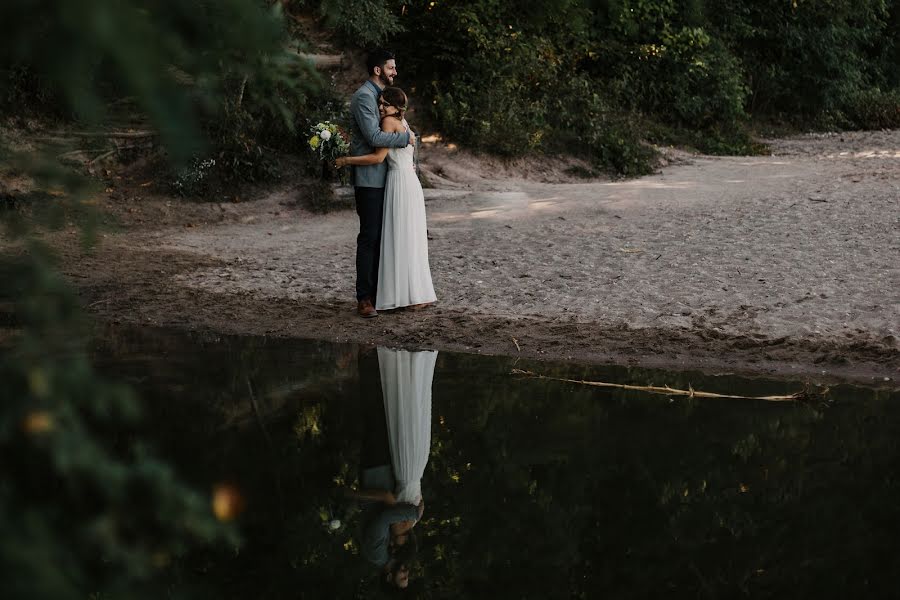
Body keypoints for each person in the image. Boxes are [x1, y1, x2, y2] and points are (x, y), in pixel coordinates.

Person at [337, 86, 436, 312]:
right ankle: (416, 293)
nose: (380, 107)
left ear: (394, 106)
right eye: (380, 103)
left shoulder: (388, 123)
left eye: (384, 104)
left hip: (399, 182)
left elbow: (377, 157)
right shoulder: (405, 123)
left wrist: (346, 161)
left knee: (399, 238)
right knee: (410, 238)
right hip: (409, 181)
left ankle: (404, 295)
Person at [347, 49, 416, 319]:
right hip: (370, 180)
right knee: (370, 237)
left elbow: (403, 128)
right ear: (378, 70)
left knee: (388, 238)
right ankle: (364, 298)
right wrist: (406, 140)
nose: (394, 72)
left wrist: (411, 140)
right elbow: (375, 137)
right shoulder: (364, 97)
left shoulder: (385, 97)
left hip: (391, 178)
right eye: (391, 67)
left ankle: (384, 294)